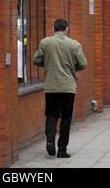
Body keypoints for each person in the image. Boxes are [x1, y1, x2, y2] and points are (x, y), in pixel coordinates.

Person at [33, 18, 87, 158]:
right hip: (68, 87)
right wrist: (70, 68)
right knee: (66, 118)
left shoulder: (45, 42)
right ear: (67, 29)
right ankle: (62, 150)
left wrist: (50, 65)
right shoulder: (74, 44)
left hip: (51, 86)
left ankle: (50, 140)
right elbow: (83, 64)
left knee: (51, 115)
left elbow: (36, 60)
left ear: (54, 28)